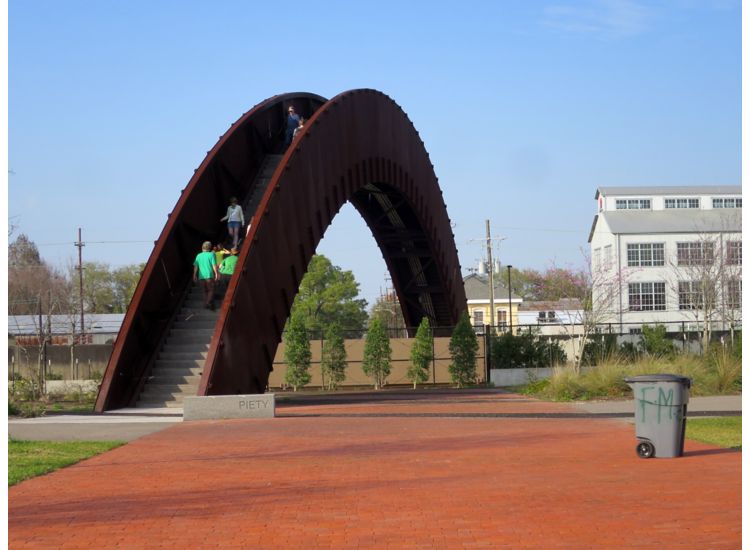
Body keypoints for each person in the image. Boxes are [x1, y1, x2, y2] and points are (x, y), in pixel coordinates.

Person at [193, 241, 219, 310]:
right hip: (209, 275)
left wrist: (194, 275)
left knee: (204, 291)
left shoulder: (198, 255)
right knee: (211, 290)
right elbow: (214, 265)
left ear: (202, 247)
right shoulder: (211, 254)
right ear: (210, 247)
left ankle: (205, 304)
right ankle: (208, 302)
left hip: (201, 276)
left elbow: (196, 266)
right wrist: (216, 273)